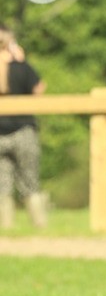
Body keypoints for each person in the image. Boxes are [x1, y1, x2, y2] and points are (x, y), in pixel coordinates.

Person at [0, 25, 47, 229]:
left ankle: (6, 230)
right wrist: (21, 60)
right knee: (30, 182)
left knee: (2, 185)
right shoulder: (22, 67)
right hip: (23, 130)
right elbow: (39, 89)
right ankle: (39, 226)